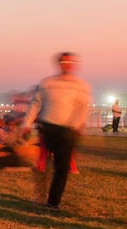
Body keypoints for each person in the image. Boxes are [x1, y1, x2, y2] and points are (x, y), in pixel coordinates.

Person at [22, 52, 92, 209]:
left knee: (62, 167)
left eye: (70, 61)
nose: (67, 64)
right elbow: (35, 104)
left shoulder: (81, 86)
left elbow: (83, 107)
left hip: (68, 130)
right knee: (45, 161)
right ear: (59, 63)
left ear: (74, 64)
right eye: (64, 61)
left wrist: (79, 125)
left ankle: (53, 202)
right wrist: (26, 124)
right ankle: (42, 192)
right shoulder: (48, 83)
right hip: (48, 127)